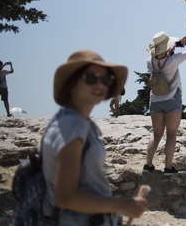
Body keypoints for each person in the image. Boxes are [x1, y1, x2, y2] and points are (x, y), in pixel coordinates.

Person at [42, 50, 148, 225]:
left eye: (105, 79)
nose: (100, 84)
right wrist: (123, 205)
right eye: (91, 78)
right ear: (72, 84)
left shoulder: (82, 123)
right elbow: (65, 197)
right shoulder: (72, 126)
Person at [144, 32, 186, 175]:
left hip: (155, 99)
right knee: (171, 134)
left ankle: (148, 164)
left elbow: (159, 57)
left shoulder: (149, 61)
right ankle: (168, 167)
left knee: (156, 134)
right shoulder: (174, 59)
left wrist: (171, 48)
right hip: (172, 99)